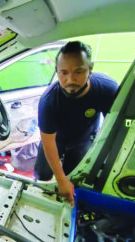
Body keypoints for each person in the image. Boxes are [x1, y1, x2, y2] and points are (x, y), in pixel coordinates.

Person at [34, 41, 118, 206]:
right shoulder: (49, 101)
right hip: (55, 140)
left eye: (79, 71)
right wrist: (59, 180)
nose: (70, 79)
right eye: (63, 72)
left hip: (84, 138)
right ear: (56, 72)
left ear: (90, 69)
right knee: (42, 175)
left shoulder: (107, 90)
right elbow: (48, 142)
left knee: (73, 176)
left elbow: (113, 127)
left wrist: (66, 181)